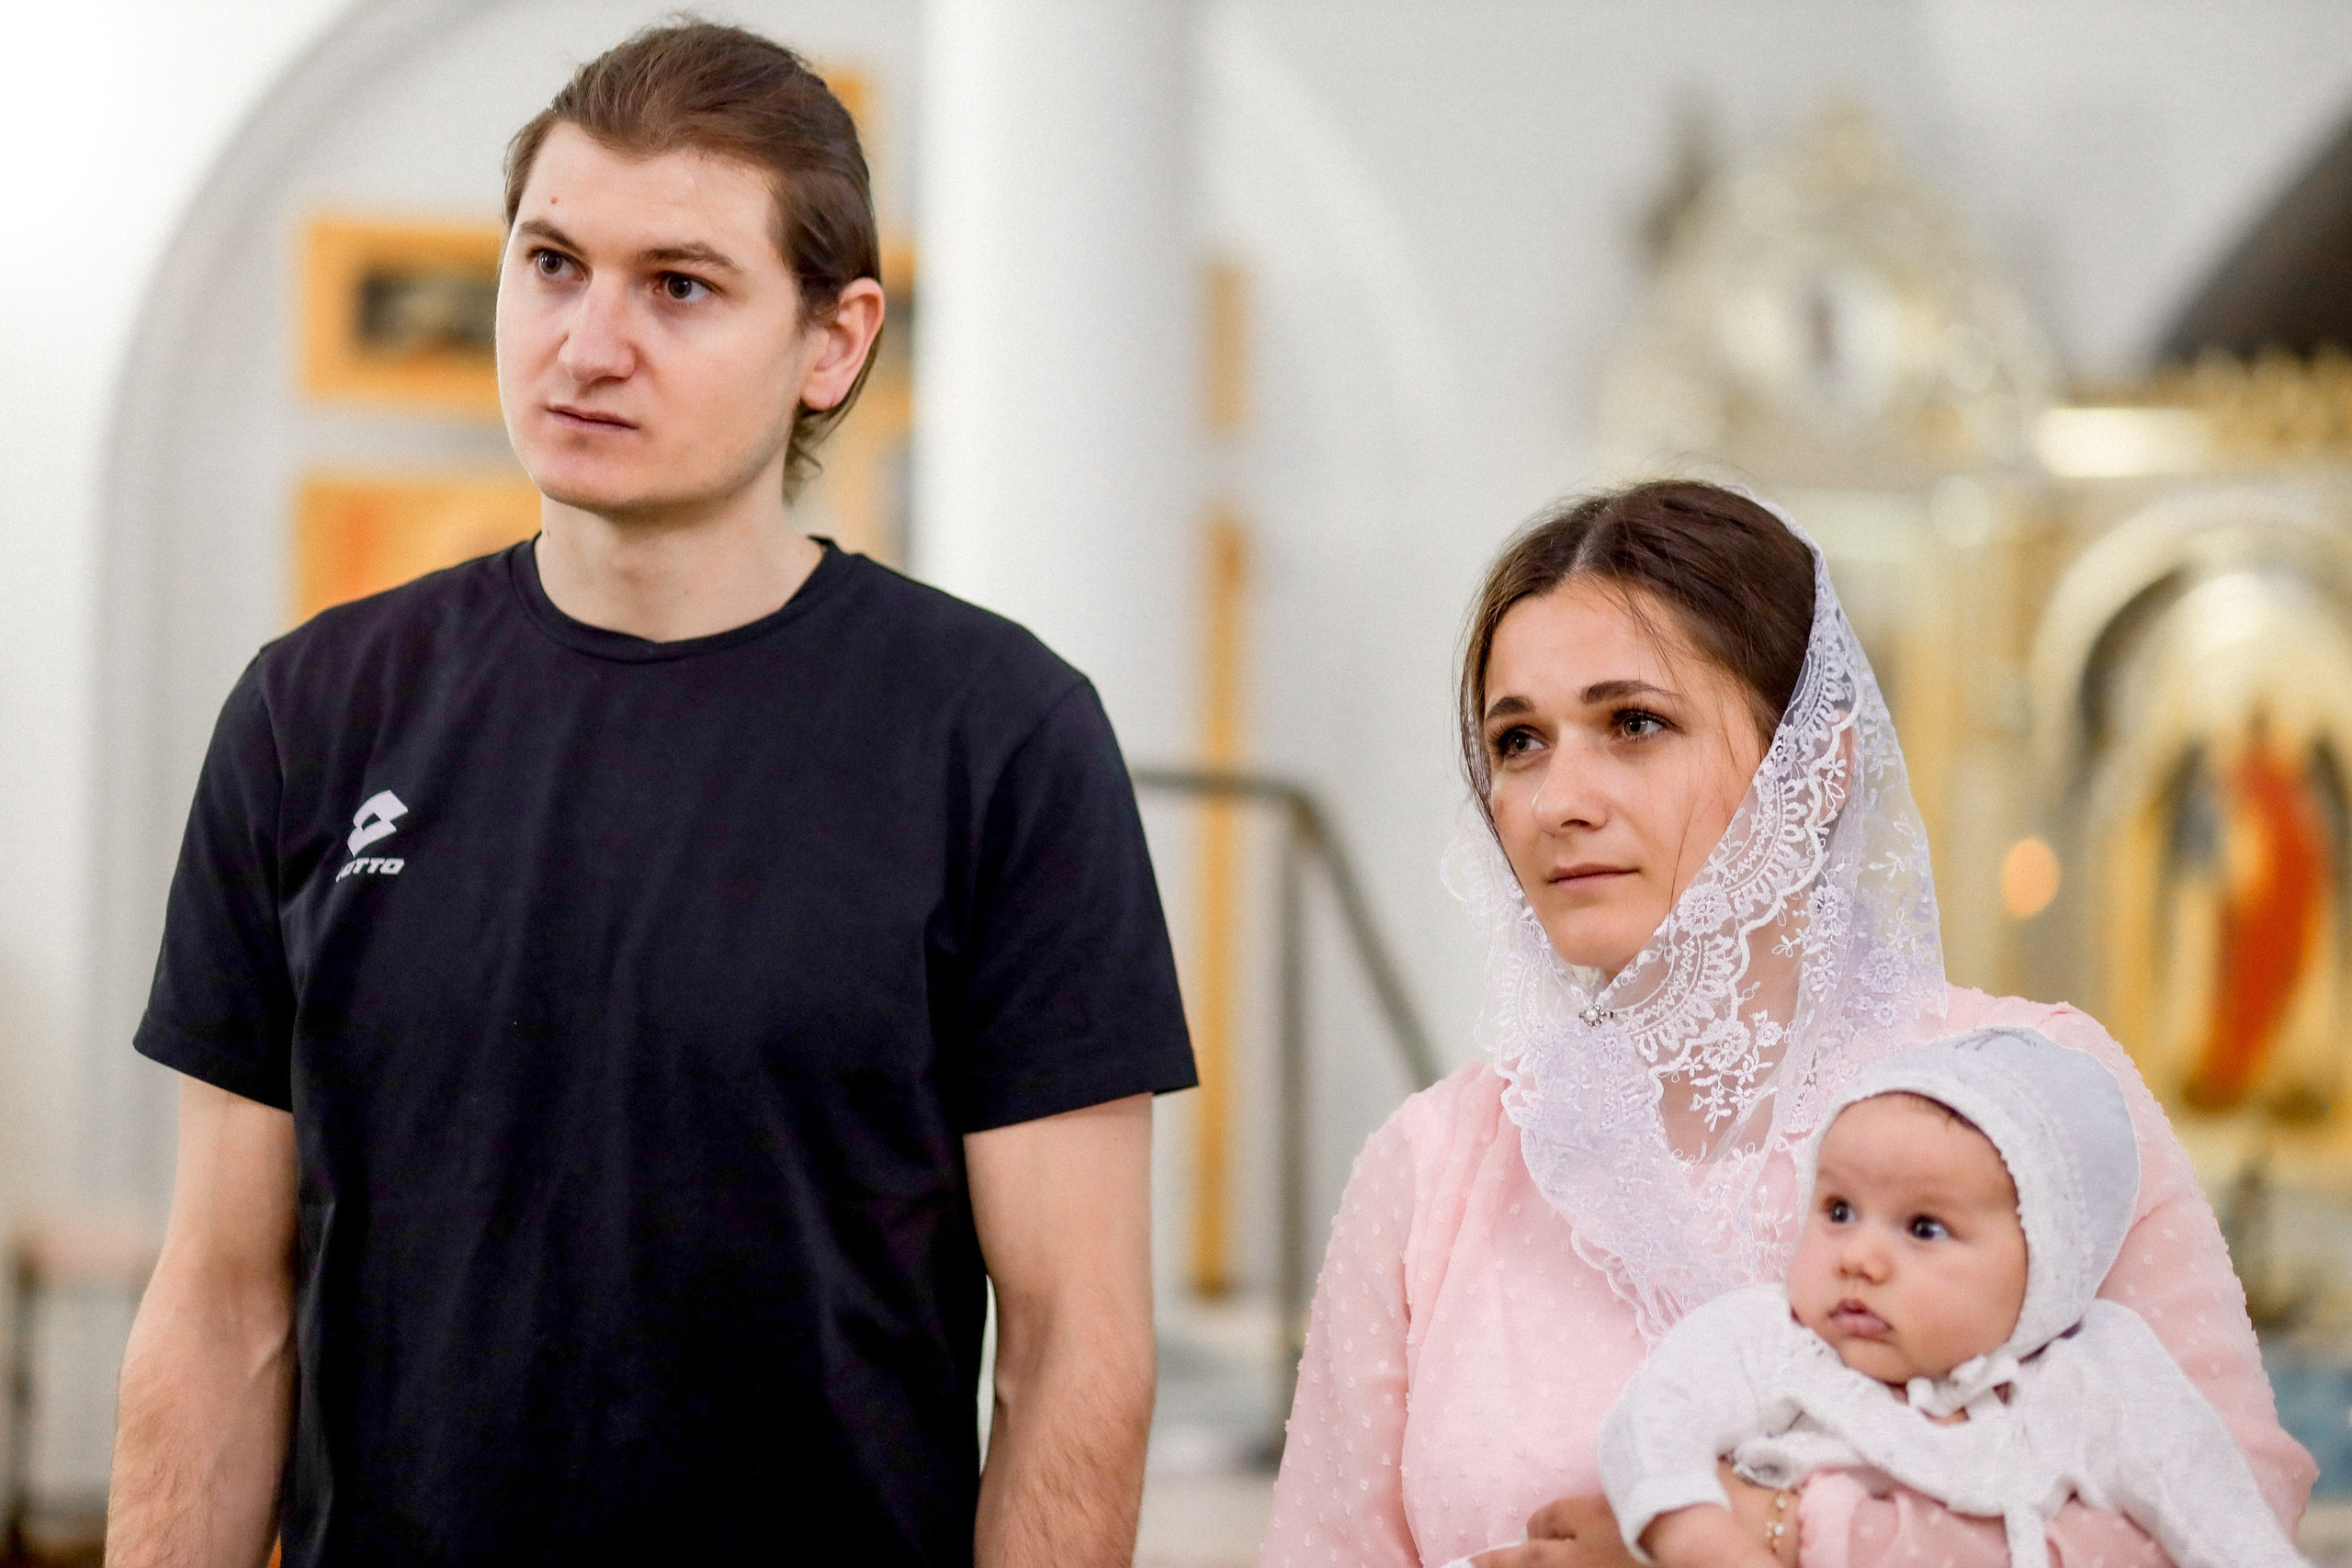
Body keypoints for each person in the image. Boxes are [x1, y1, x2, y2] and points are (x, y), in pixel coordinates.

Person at [107, 22, 1194, 1568]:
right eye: (552, 264)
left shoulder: (1001, 737)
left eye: (678, 286)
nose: (587, 341)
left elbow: (1075, 1352)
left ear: (835, 339)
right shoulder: (317, 711)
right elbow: (220, 1304)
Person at [1258, 479, 2312, 1568]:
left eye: (1632, 724)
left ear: (1817, 767)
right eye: (1518, 740)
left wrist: (1767, 1536)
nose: (1555, 799)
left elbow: (2229, 1511)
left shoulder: (2033, 1096)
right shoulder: (1434, 1169)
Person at [1594, 1028, 2304, 1568]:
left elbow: (2217, 1513)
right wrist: (1697, 1533)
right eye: (1839, 1209)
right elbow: (1653, 1420)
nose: (1860, 1257)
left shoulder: (2092, 1377)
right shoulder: (1772, 1338)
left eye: (1924, 1227)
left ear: (2042, 1269)